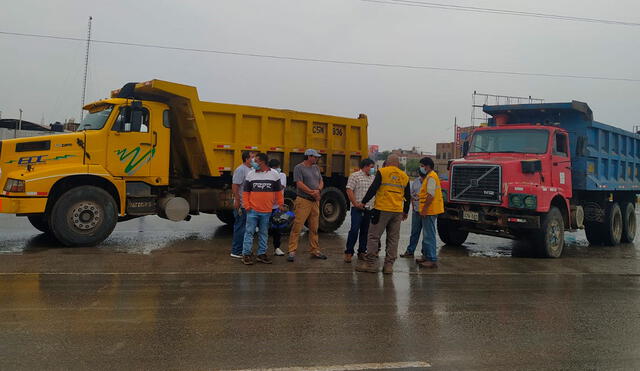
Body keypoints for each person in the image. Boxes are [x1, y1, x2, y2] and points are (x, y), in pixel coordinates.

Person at [355, 154, 410, 274]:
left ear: (387, 162)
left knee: (373, 236)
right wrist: (405, 211)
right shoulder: (404, 176)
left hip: (382, 210)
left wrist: (363, 202)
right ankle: (389, 266)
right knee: (393, 239)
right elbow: (408, 196)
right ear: (398, 164)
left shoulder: (383, 172)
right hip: (397, 211)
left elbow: (373, 189)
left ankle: (371, 264)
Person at [241, 153, 285, 265]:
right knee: (249, 232)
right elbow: (245, 192)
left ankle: (261, 254)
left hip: (267, 211)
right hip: (252, 210)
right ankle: (246, 254)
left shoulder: (274, 174)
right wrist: (247, 206)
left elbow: (278, 192)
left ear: (263, 162)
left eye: (256, 160)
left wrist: (280, 204)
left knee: (263, 233)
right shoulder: (251, 174)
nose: (253, 163)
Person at [287, 149, 327, 262]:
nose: (317, 158)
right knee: (297, 226)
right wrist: (311, 192)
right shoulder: (299, 168)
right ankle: (292, 251)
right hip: (303, 200)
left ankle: (315, 250)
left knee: (314, 227)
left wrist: (318, 190)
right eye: (315, 157)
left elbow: (321, 181)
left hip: (315, 201)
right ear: (308, 156)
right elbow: (299, 183)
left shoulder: (316, 168)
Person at [344, 158, 376, 263]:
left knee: (365, 232)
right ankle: (349, 252)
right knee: (354, 230)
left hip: (369, 209)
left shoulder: (373, 178)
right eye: (371, 167)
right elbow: (349, 190)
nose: (372, 169)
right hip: (357, 208)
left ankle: (362, 252)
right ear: (365, 166)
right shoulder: (355, 176)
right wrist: (355, 203)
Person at [416, 157, 445, 268]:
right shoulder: (429, 176)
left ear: (427, 166)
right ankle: (426, 256)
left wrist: (424, 209)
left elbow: (430, 195)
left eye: (422, 165)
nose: (421, 168)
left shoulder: (431, 177)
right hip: (429, 210)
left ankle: (432, 259)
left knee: (429, 236)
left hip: (430, 210)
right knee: (427, 235)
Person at [231, 151, 256, 258]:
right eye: (253, 157)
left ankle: (245, 250)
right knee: (240, 227)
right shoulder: (241, 169)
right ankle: (236, 251)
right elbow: (235, 185)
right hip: (242, 204)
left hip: (248, 204)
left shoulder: (251, 170)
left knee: (247, 228)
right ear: (247, 159)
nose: (255, 159)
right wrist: (237, 200)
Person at [400, 167, 428, 258]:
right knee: (414, 232)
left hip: (426, 212)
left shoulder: (429, 181)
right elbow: (411, 195)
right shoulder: (416, 182)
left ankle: (425, 252)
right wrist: (412, 207)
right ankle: (410, 251)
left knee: (426, 234)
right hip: (416, 211)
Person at [268, 158, 287, 256]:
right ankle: (263, 249)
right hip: (267, 206)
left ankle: (277, 247)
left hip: (277, 207)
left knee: (278, 229)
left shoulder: (282, 175)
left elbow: (280, 187)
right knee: (265, 228)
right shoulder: (267, 175)